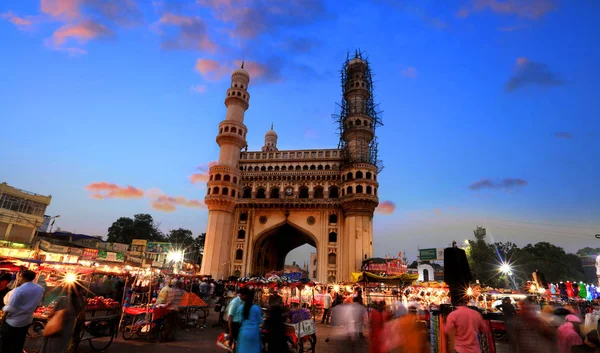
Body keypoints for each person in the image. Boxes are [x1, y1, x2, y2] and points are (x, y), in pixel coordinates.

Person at [1, 270, 45, 353]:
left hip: (13, 321)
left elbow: (11, 307)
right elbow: (38, 304)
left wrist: (4, 317)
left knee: (6, 344)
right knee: (19, 343)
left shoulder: (19, 290)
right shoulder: (40, 289)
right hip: (26, 320)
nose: (19, 278)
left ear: (23, 277)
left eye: (20, 276)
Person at [40, 282, 85, 353]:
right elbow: (82, 317)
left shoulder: (62, 299)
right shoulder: (81, 301)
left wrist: (48, 313)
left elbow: (51, 314)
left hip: (59, 328)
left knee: (52, 347)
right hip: (70, 328)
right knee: (63, 348)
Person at [235, 288, 262, 353]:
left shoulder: (241, 307)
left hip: (244, 332)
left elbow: (240, 320)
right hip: (254, 333)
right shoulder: (256, 308)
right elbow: (260, 321)